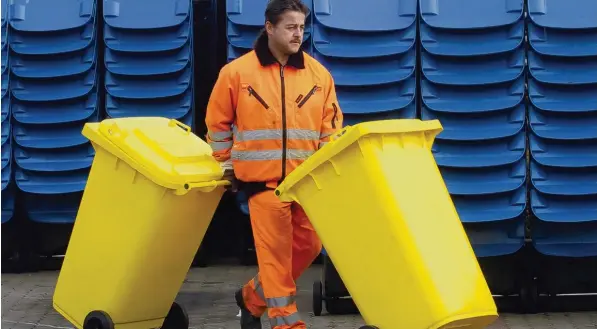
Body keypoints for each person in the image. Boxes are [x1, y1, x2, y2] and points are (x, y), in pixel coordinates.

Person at [205, 0, 343, 328]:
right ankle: (287, 323)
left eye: (302, 27)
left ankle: (253, 298)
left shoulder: (319, 75)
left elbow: (330, 129)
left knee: (309, 245)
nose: (299, 34)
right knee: (277, 256)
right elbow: (217, 123)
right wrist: (226, 164)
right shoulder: (236, 73)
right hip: (261, 184)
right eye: (291, 27)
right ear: (269, 28)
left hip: (305, 183)